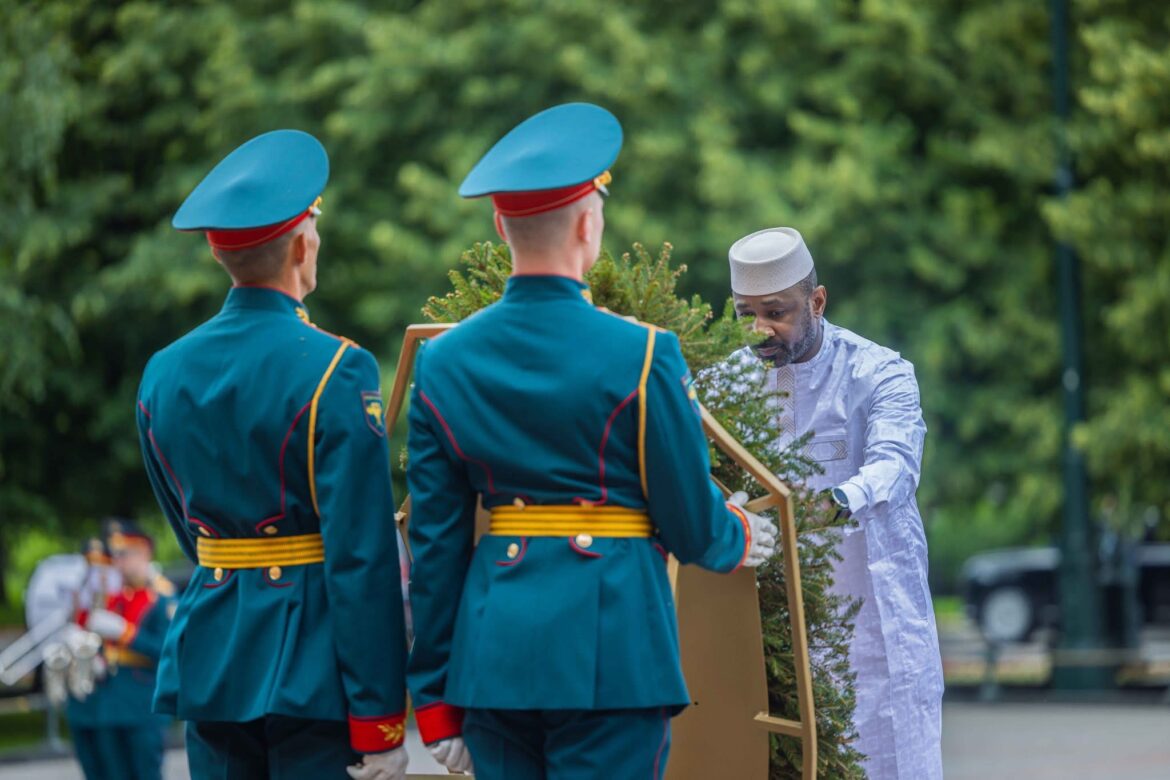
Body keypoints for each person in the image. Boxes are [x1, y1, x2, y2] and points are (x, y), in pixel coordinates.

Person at [405, 103, 778, 780]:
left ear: (499, 225)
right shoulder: (643, 353)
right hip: (614, 646)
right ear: (589, 222)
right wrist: (742, 536)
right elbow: (692, 524)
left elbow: (434, 546)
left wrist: (434, 701)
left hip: (493, 655)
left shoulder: (443, 361)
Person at [136, 130, 408, 780]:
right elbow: (361, 556)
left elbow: (186, 525)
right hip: (312, 665)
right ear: (302, 242)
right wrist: (380, 718)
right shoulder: (337, 368)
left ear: (214, 248)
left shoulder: (162, 373)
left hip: (214, 651)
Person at [724, 226, 943, 779]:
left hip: (875, 618)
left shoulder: (879, 372)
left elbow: (896, 465)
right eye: (744, 313)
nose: (759, 329)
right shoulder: (724, 382)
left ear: (817, 301)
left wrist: (831, 504)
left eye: (776, 311)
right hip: (767, 621)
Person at [69, 520, 175, 780]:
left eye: (124, 555)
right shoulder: (113, 598)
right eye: (116, 555)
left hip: (141, 706)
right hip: (109, 707)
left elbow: (169, 650)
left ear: (145, 553)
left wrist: (127, 633)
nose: (118, 562)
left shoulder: (162, 599)